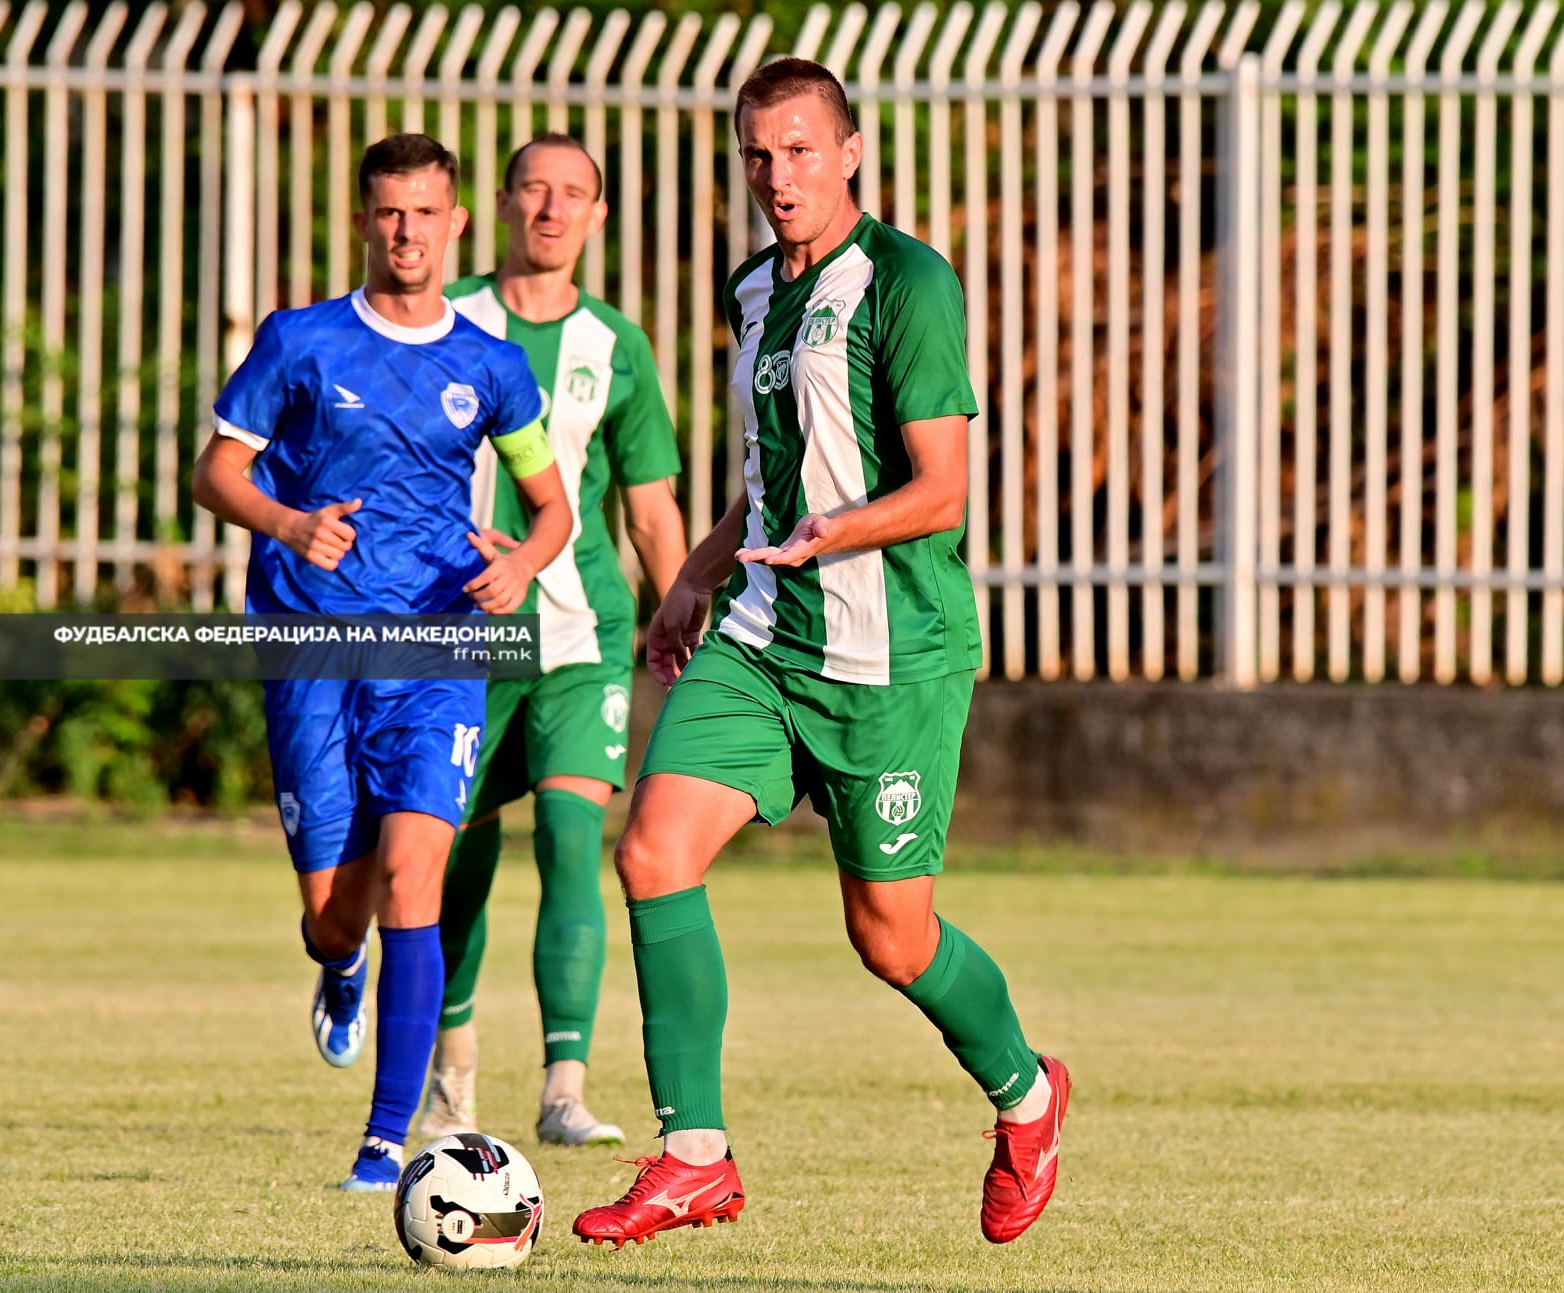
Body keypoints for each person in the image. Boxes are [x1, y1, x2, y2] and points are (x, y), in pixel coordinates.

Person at [570, 59, 1069, 1250]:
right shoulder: (752, 291)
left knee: (890, 935)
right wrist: (696, 571)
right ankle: (695, 1155)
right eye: (758, 153)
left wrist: (841, 530)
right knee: (650, 850)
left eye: (801, 150)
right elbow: (769, 481)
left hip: (892, 656)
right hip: (762, 638)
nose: (777, 175)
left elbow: (941, 491)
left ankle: (1030, 1096)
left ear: (849, 151)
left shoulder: (908, 283)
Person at [190, 133, 572, 1193]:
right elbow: (216, 473)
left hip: (440, 646)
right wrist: (286, 521)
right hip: (313, 648)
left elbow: (551, 510)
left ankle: (384, 1143)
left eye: (425, 214)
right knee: (334, 914)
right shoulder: (300, 342)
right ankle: (339, 970)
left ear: (458, 225)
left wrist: (522, 569)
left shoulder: (491, 365)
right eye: (388, 213)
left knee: (416, 876)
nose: (406, 233)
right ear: (364, 221)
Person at [415, 133, 687, 1150]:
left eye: (574, 193)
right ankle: (451, 1073)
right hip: (456, 638)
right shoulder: (447, 321)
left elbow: (651, 508)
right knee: (458, 860)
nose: (552, 208)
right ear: (502, 202)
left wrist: (677, 607)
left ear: (598, 216)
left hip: (581, 633)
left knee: (576, 839)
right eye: (534, 187)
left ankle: (565, 1088)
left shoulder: (616, 346)